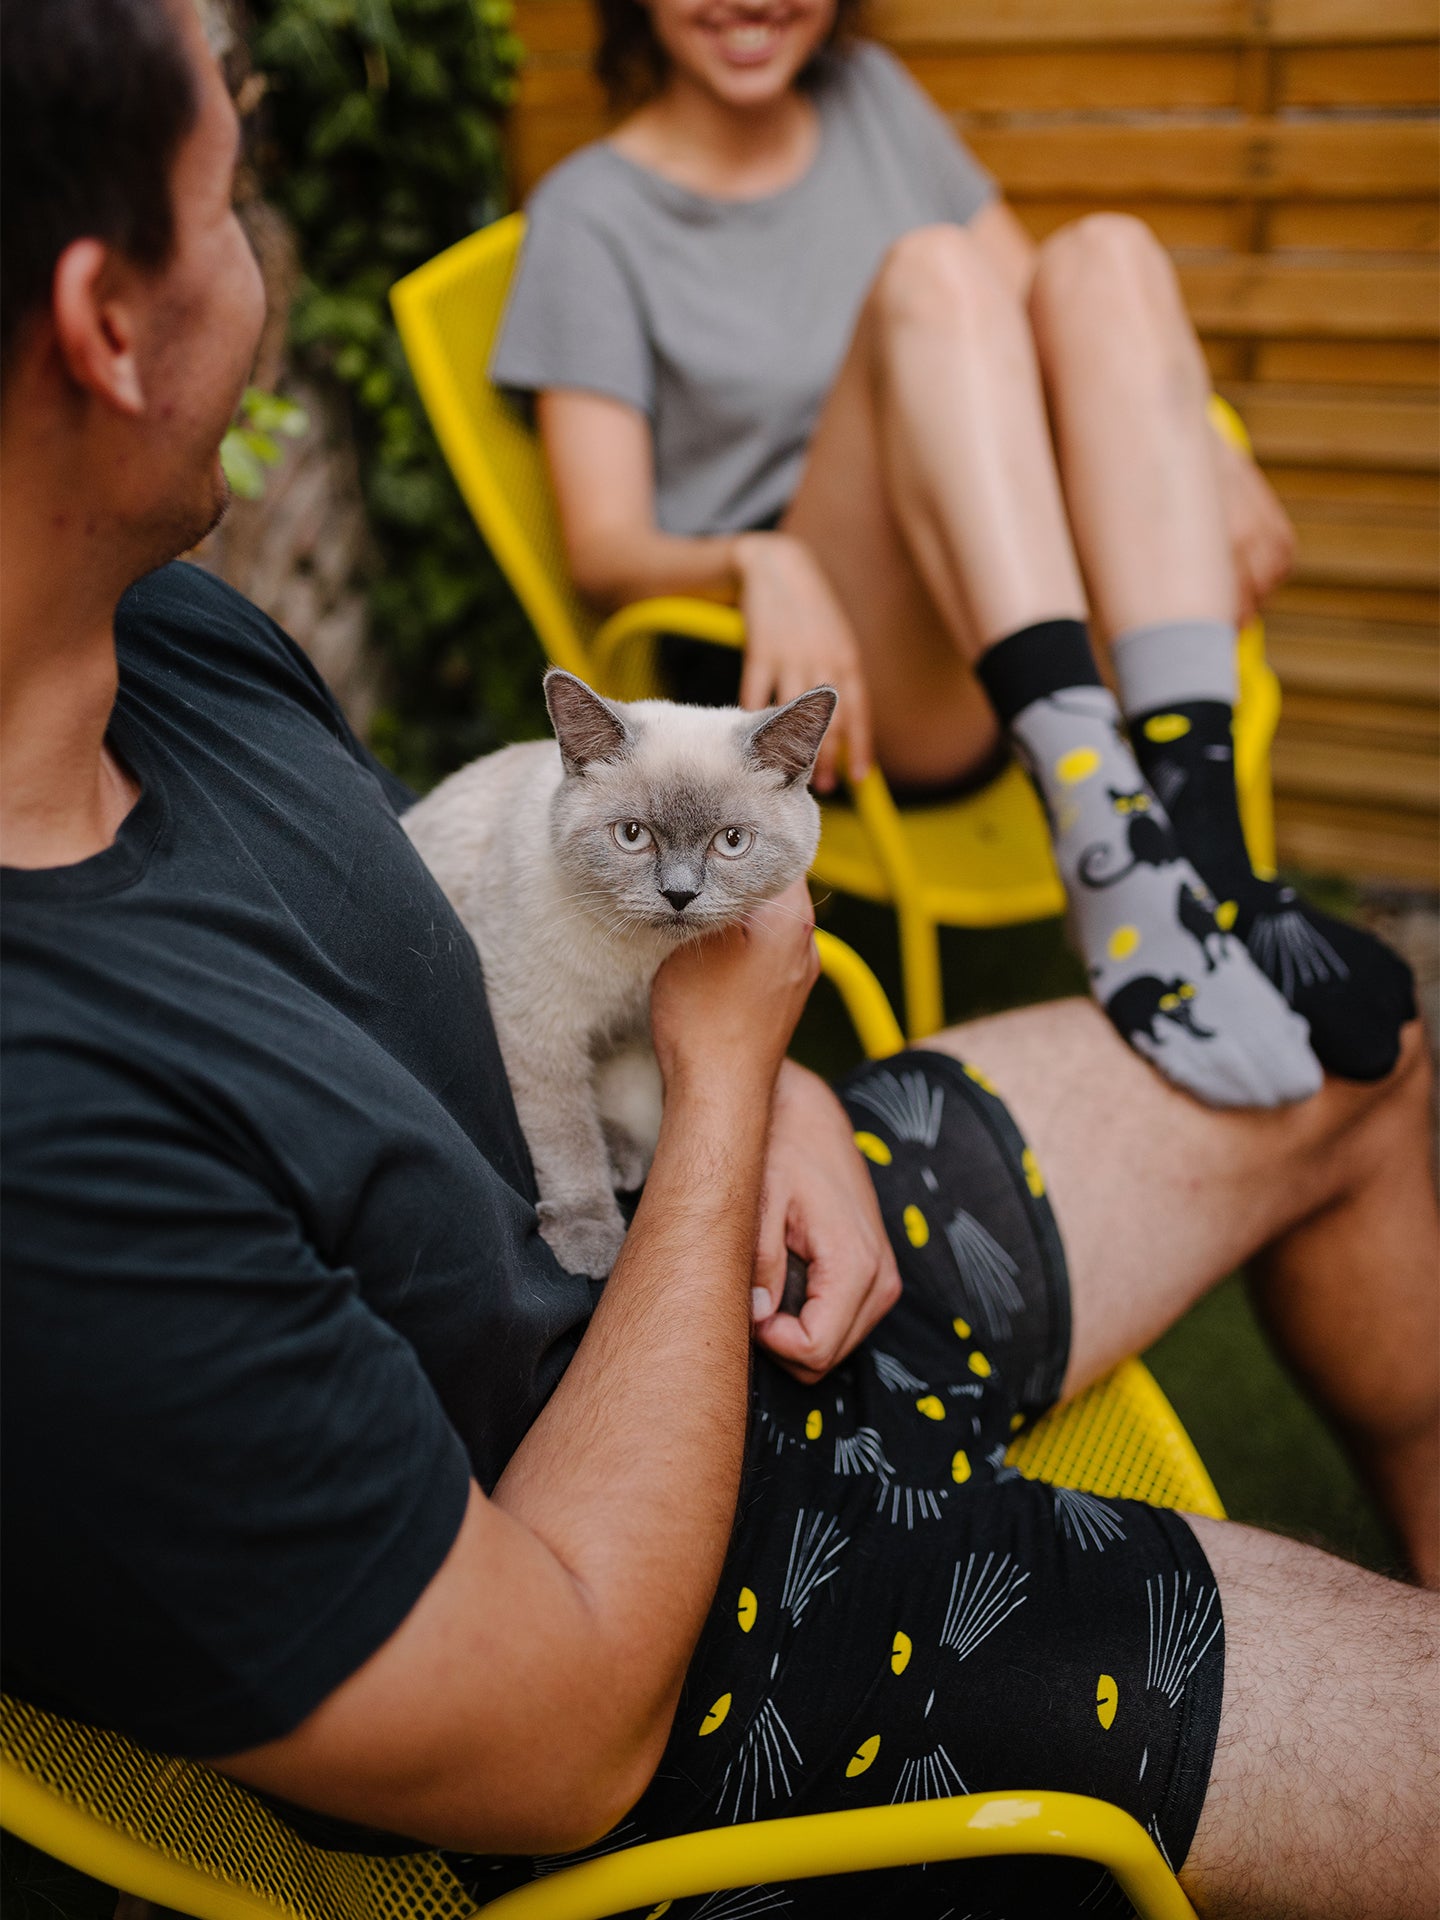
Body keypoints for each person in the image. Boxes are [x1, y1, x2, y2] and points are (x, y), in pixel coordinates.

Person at [2, 4, 1437, 1917]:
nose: (261, 266)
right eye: (233, 196)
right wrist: (736, 1083)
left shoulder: (170, 640)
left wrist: (786, 1107)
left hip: (702, 1257)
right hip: (686, 1597)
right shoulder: (44, 1134)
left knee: (1357, 1035)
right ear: (109, 321)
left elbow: (487, 964)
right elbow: (554, 1727)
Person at [492, 0, 1416, 1110]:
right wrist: (755, 563)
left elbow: (1048, 312)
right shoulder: (591, 212)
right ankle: (1114, 847)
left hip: (1019, 585)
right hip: (844, 668)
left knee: (1105, 255)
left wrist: (1209, 451)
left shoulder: (872, 98)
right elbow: (600, 547)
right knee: (931, 271)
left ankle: (1203, 849)